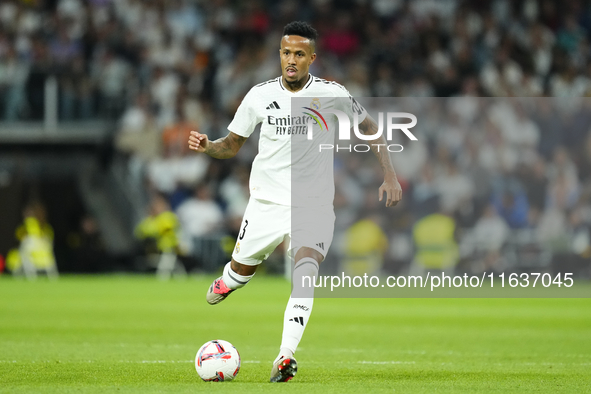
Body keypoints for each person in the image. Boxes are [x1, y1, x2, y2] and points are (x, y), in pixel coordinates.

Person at [188, 21, 402, 383]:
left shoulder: (332, 93)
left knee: (306, 271)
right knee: (241, 271)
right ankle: (228, 279)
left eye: (299, 54)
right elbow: (232, 145)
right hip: (266, 204)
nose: (291, 59)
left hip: (313, 204)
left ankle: (285, 357)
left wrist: (390, 174)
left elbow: (369, 127)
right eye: (286, 52)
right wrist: (209, 146)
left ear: (311, 59)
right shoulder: (258, 96)